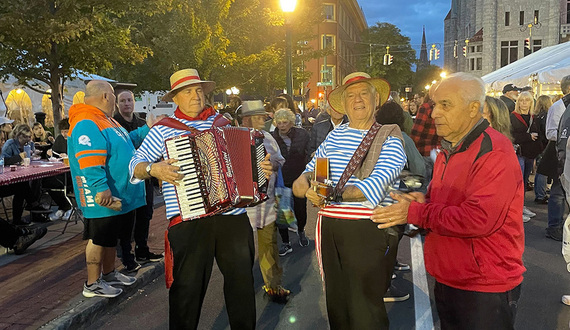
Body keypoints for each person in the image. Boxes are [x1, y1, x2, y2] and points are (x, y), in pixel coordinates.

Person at [371, 73, 525, 330]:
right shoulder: (451, 147)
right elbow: (447, 202)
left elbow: (478, 219)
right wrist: (422, 201)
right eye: (434, 105)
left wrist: (418, 213)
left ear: (473, 108)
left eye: (445, 105)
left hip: (483, 286)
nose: (434, 114)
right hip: (452, 279)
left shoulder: (494, 152)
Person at [129, 68, 272, 329]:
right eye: (187, 91)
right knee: (188, 289)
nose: (195, 96)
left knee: (241, 284)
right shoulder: (163, 130)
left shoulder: (223, 124)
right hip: (190, 219)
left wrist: (262, 169)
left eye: (198, 90)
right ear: (176, 97)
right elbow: (134, 164)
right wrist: (154, 169)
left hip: (232, 217)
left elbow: (250, 164)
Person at [292, 71, 406, 329]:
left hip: (366, 228)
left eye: (364, 93)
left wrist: (328, 194)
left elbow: (376, 184)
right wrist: (303, 185)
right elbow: (308, 172)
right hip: (331, 228)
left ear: (376, 100)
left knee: (365, 307)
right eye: (351, 95)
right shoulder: (335, 135)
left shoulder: (389, 134)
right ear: (343, 103)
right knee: (337, 303)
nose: (357, 100)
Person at [68, 80, 151, 298]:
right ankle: (93, 283)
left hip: (117, 192)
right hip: (103, 195)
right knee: (99, 237)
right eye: (114, 95)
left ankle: (109, 273)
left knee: (111, 236)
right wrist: (99, 187)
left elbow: (126, 141)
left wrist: (147, 129)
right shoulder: (87, 121)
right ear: (107, 96)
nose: (115, 100)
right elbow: (89, 158)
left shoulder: (105, 120)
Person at [239, 100, 290, 303]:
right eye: (259, 117)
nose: (263, 120)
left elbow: (279, 161)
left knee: (269, 244)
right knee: (242, 249)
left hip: (265, 199)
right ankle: (241, 285)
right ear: (246, 119)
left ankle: (273, 286)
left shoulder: (267, 137)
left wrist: (271, 164)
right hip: (240, 204)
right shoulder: (230, 137)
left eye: (263, 117)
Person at [113, 90, 163, 272]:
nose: (126, 103)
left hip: (145, 177)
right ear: (117, 104)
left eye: (129, 100)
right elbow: (125, 148)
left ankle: (143, 250)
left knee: (146, 213)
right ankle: (126, 255)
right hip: (126, 179)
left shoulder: (142, 122)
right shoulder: (115, 125)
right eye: (122, 100)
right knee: (127, 220)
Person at [272, 108, 310, 255]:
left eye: (285, 122)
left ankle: (301, 231)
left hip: (299, 177)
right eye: (279, 122)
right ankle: (286, 242)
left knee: (301, 208)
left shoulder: (302, 134)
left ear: (291, 122)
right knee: (282, 211)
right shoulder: (272, 137)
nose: (282, 125)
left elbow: (309, 152)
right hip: (281, 179)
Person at [543, 75, 570, 241]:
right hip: (559, 155)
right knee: (558, 192)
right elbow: (550, 132)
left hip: (567, 155)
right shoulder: (558, 107)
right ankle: (554, 226)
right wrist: (565, 137)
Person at [510, 91, 542, 222]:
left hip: (530, 153)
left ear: (531, 102)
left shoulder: (533, 117)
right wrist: (529, 136)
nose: (524, 103)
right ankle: (516, 209)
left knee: (524, 181)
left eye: (526, 100)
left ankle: (521, 206)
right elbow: (511, 135)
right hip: (519, 152)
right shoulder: (513, 117)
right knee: (518, 182)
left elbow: (539, 133)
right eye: (521, 100)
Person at [410, 95, 441, 184]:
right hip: (439, 153)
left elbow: (416, 133)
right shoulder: (448, 108)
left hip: (424, 152)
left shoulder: (426, 108)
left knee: (423, 187)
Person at [533, 95, 553, 204]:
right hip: (544, 145)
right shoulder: (546, 115)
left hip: (537, 145)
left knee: (539, 171)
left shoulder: (536, 115)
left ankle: (539, 193)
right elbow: (546, 133)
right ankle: (540, 195)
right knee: (543, 171)